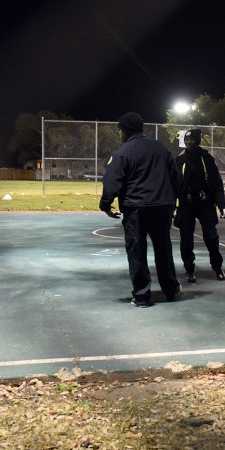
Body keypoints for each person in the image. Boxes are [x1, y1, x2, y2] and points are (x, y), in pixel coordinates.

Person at [99, 112, 182, 308]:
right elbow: (176, 178)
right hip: (161, 207)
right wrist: (173, 202)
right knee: (163, 249)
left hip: (136, 208)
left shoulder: (123, 151)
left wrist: (105, 203)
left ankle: (142, 296)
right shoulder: (161, 148)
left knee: (137, 250)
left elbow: (112, 180)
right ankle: (170, 290)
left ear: (124, 130)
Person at [174, 129, 225, 283]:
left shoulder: (207, 159)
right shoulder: (179, 161)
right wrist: (172, 206)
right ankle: (189, 269)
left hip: (205, 203)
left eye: (192, 139)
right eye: (187, 140)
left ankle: (217, 267)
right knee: (186, 240)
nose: (189, 142)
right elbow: (174, 185)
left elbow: (217, 183)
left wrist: (221, 204)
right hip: (186, 204)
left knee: (211, 238)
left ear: (197, 140)